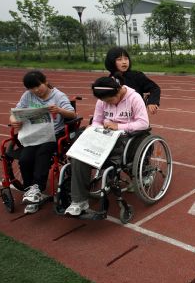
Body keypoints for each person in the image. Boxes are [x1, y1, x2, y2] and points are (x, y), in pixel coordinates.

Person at [64, 75, 149, 216]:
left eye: (109, 100)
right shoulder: (102, 101)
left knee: (94, 152)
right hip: (104, 135)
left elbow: (143, 123)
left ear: (118, 91)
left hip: (127, 137)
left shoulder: (134, 98)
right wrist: (93, 128)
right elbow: (97, 120)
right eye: (104, 101)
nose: (106, 103)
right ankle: (79, 201)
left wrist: (119, 126)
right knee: (79, 154)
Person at [9, 70, 77, 214]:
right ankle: (30, 192)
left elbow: (72, 114)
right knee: (25, 158)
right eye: (31, 88)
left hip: (53, 135)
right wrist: (14, 121)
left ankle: (37, 188)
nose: (35, 90)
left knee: (42, 154)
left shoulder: (58, 96)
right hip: (34, 135)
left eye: (37, 86)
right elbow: (15, 113)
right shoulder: (28, 96)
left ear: (45, 81)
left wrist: (59, 110)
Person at [104, 46, 161, 114]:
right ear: (111, 62)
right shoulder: (109, 80)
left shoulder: (136, 76)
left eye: (126, 59)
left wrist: (152, 102)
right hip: (116, 116)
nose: (124, 62)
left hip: (136, 116)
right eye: (119, 59)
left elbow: (154, 88)